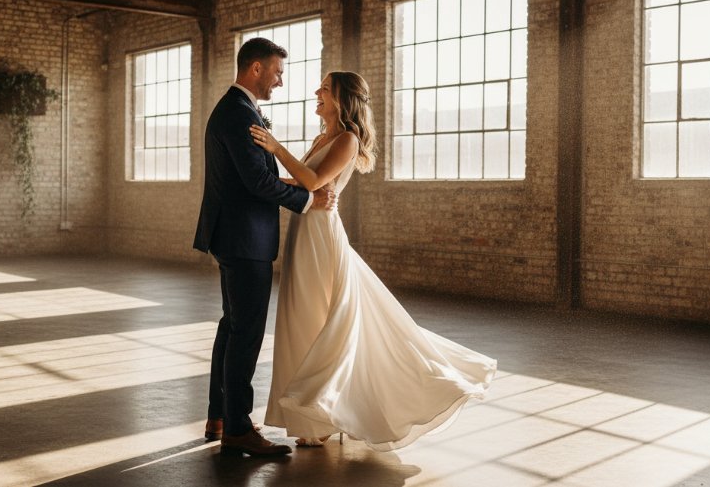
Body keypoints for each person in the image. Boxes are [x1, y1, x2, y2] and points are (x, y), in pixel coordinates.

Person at [250, 71, 497, 451]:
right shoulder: (322, 137)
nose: (316, 92)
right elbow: (300, 183)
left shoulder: (347, 139)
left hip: (320, 236)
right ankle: (314, 418)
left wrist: (275, 147)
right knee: (300, 320)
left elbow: (313, 181)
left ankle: (324, 413)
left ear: (342, 100)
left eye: (325, 89)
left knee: (318, 320)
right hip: (302, 231)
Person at [193, 38, 337, 457]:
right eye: (276, 71)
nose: (280, 80)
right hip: (244, 238)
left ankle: (219, 414)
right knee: (247, 331)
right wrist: (309, 201)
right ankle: (238, 428)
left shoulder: (236, 109)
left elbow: (254, 177)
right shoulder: (238, 114)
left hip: (234, 235)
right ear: (255, 69)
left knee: (231, 325)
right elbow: (257, 181)